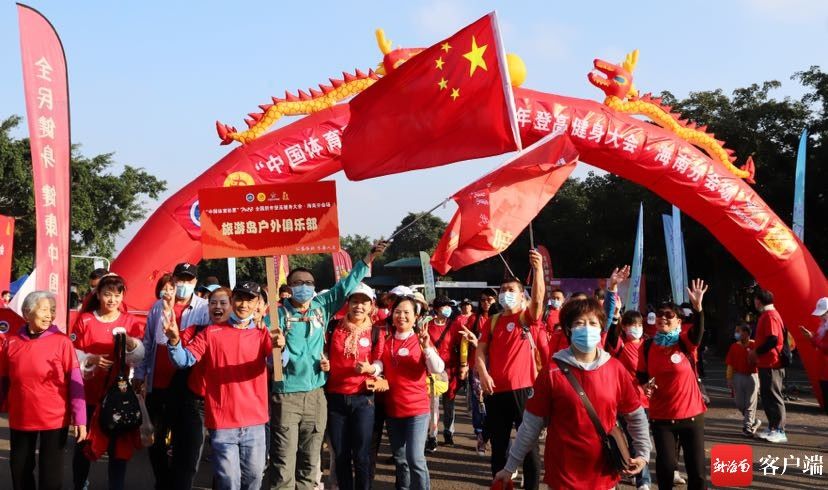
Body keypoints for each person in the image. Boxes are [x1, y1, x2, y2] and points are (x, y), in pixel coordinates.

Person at [493, 296, 650, 489]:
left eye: (592, 323)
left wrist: (643, 453)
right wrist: (509, 467)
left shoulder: (615, 369)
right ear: (568, 329)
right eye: (579, 323)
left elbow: (635, 415)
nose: (587, 328)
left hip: (604, 473)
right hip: (563, 475)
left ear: (601, 327)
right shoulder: (550, 372)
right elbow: (530, 426)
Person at [270, 240, 387, 489]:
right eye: (298, 283)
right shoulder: (276, 313)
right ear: (288, 287)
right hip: (286, 394)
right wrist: (275, 345)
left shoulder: (321, 307)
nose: (304, 287)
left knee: (310, 461)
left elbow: (346, 284)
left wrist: (368, 258)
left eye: (309, 283)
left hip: (316, 396)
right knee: (283, 461)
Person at [166, 281, 283, 490]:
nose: (244, 304)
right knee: (229, 481)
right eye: (239, 298)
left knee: (254, 479)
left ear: (258, 304)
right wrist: (174, 341)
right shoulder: (211, 333)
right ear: (232, 301)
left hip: (255, 421)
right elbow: (184, 360)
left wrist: (280, 348)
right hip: (223, 422)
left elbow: (278, 364)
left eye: (250, 300)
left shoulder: (264, 332)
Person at [476, 250, 550, 490]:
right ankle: (500, 485)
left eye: (512, 290)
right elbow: (480, 351)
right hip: (497, 391)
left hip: (524, 390)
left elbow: (538, 301)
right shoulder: (493, 320)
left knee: (528, 447)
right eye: (503, 290)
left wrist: (538, 269)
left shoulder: (526, 318)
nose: (506, 294)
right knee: (498, 447)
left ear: (521, 295)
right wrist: (483, 373)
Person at [0, 291, 87, 490]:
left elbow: (75, 382)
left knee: (50, 476)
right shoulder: (12, 342)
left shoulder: (62, 342)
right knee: (20, 471)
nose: (50, 315)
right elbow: (3, 380)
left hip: (54, 419)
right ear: (28, 312)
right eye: (44, 309)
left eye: (53, 310)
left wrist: (80, 419)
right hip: (21, 416)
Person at [133, 263, 209, 489]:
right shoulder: (158, 307)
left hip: (188, 386)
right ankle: (162, 483)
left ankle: (179, 484)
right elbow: (147, 342)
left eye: (189, 280)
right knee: (155, 441)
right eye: (180, 279)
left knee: (185, 444)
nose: (184, 284)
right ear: (173, 280)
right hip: (158, 384)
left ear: (195, 282)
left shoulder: (204, 308)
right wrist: (140, 372)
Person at [72, 274, 145, 490]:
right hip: (88, 394)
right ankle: (79, 484)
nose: (112, 300)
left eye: (117, 295)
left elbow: (138, 358)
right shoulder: (85, 320)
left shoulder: (129, 322)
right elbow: (72, 354)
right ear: (98, 294)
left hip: (118, 396)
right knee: (84, 446)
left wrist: (131, 343)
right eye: (107, 294)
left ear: (123, 296)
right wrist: (90, 359)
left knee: (118, 449)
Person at [637, 279, 708, 490]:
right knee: (666, 468)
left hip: (691, 414)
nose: (663, 318)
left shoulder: (685, 342)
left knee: (697, 472)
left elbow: (699, 331)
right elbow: (641, 374)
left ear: (679, 321)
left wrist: (698, 309)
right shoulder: (648, 346)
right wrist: (644, 386)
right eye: (659, 315)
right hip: (662, 416)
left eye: (669, 315)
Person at [325, 283, 386, 490]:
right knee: (340, 454)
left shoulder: (376, 332)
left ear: (371, 306)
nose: (359, 306)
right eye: (355, 301)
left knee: (361, 455)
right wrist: (324, 360)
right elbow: (322, 351)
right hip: (335, 399)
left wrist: (371, 368)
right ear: (348, 303)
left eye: (364, 302)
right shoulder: (333, 327)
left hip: (363, 399)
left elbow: (380, 361)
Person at [381, 296, 445, 490]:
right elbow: (380, 365)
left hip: (416, 410)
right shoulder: (386, 341)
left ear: (416, 316)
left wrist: (427, 348)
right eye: (398, 312)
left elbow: (437, 368)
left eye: (407, 312)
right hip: (393, 410)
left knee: (415, 458)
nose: (401, 316)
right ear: (392, 315)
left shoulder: (421, 340)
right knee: (400, 459)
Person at [173, 287, 232, 490]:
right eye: (213, 303)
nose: (218, 307)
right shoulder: (196, 330)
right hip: (196, 402)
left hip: (227, 405)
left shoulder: (242, 333)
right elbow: (180, 356)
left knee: (224, 464)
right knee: (189, 459)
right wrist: (173, 340)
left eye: (223, 303)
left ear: (232, 307)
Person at [613, 310, 652, 490]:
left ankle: (640, 476)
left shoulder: (648, 345)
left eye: (638, 325)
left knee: (640, 440)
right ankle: (638, 476)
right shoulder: (620, 345)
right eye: (631, 325)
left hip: (646, 400)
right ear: (624, 326)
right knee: (630, 439)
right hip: (625, 400)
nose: (635, 328)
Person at [749, 287, 788, 443]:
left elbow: (773, 339)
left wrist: (756, 352)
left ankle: (779, 429)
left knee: (773, 395)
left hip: (772, 363)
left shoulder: (770, 315)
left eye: (755, 300)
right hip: (767, 362)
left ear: (758, 300)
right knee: (767, 395)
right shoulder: (768, 314)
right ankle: (773, 427)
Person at [425, 295, 458, 451]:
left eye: (449, 306)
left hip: (451, 370)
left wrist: (464, 366)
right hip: (433, 371)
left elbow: (462, 345)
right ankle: (432, 436)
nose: (448, 309)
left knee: (449, 402)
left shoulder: (454, 325)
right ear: (437, 309)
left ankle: (449, 431)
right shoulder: (427, 326)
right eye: (444, 306)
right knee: (434, 404)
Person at [726, 323, 761, 437]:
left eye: (739, 331)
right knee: (740, 403)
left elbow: (761, 362)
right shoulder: (734, 346)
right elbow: (730, 364)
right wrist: (729, 378)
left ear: (746, 333)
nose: (736, 333)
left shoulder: (755, 345)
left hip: (752, 376)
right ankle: (754, 421)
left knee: (750, 403)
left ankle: (747, 427)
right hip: (738, 376)